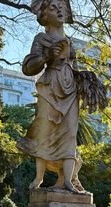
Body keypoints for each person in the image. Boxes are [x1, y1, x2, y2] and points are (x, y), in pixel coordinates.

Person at [17, 0, 80, 193]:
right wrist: (47, 57)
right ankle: (39, 177)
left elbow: (75, 68)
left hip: (70, 91)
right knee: (45, 131)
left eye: (62, 6)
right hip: (50, 88)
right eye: (53, 7)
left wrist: (83, 81)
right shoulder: (41, 38)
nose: (60, 9)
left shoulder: (71, 42)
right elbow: (28, 67)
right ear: (44, 15)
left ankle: (68, 180)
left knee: (70, 133)